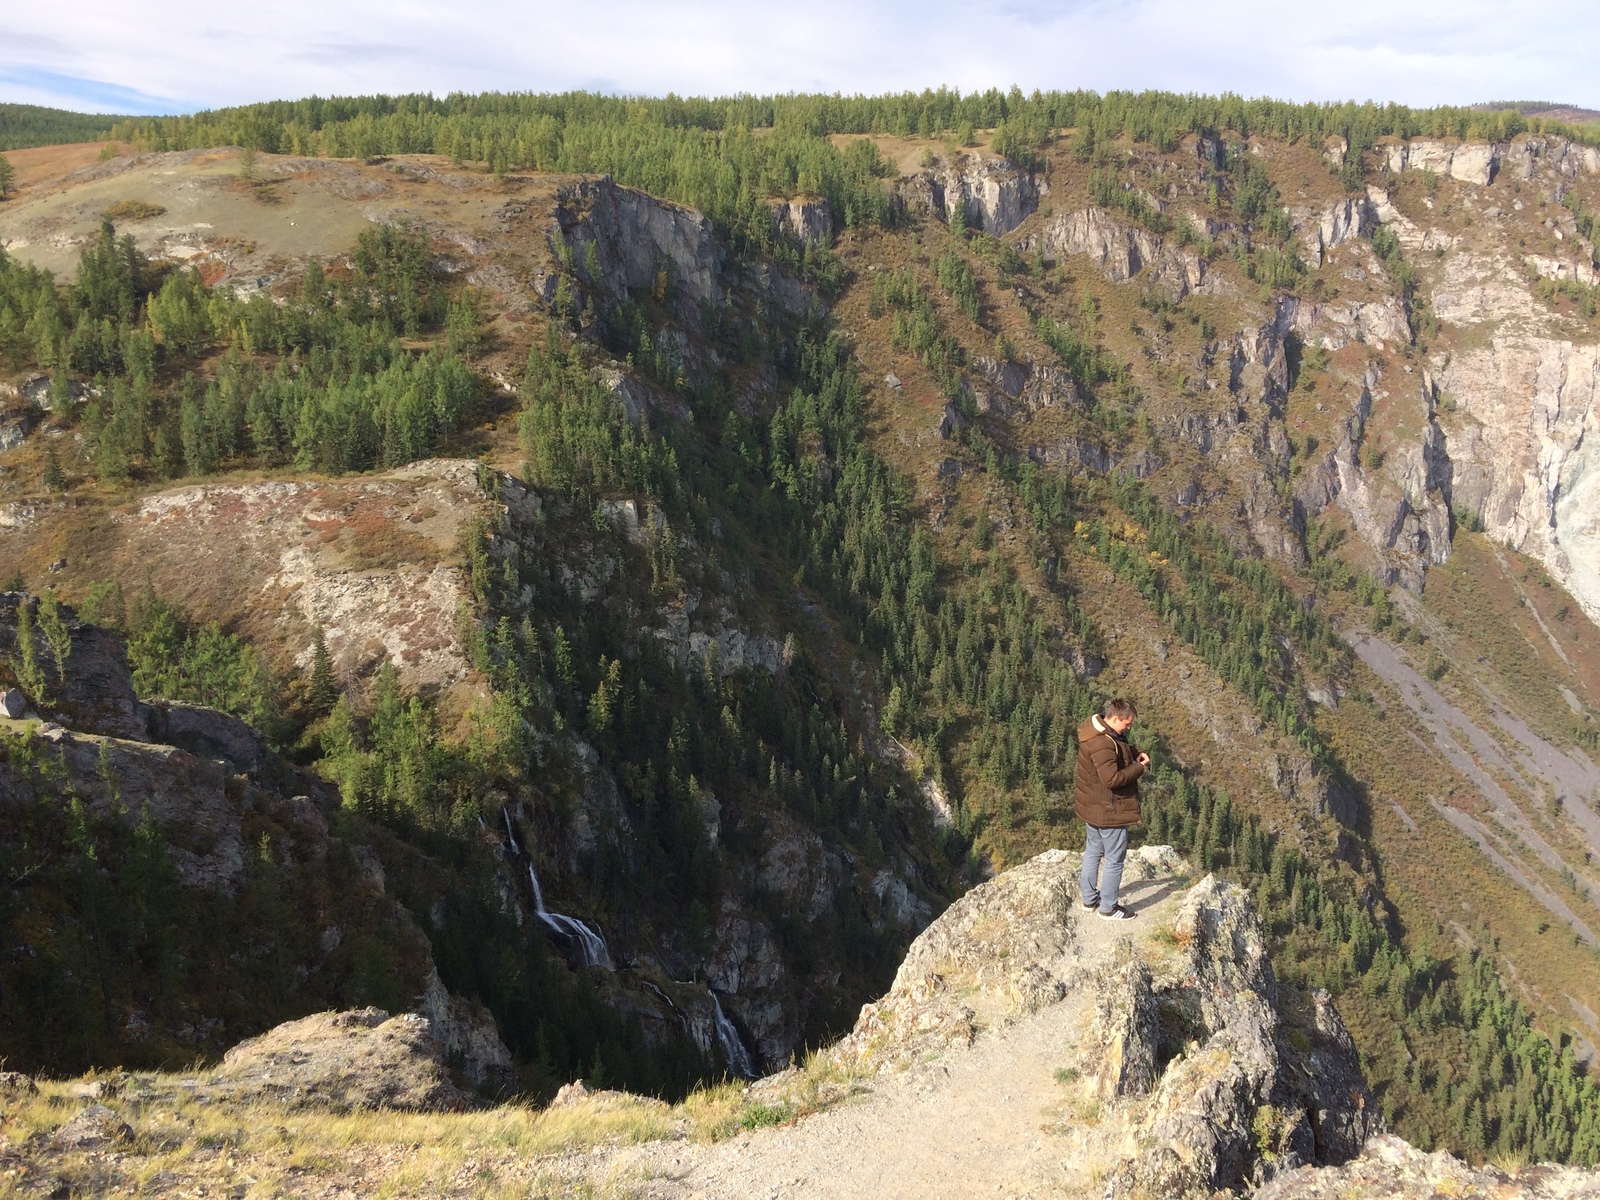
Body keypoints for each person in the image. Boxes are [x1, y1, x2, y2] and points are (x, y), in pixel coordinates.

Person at [1073, 698, 1150, 921]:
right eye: (1127, 723)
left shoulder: (1102, 734)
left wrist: (1136, 752)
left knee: (1093, 852)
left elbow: (1120, 748)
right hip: (1109, 812)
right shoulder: (1102, 743)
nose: (1129, 727)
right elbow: (1112, 779)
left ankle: (1089, 899)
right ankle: (1108, 908)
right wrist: (1139, 768)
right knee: (1114, 859)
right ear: (1115, 718)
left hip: (1094, 809)